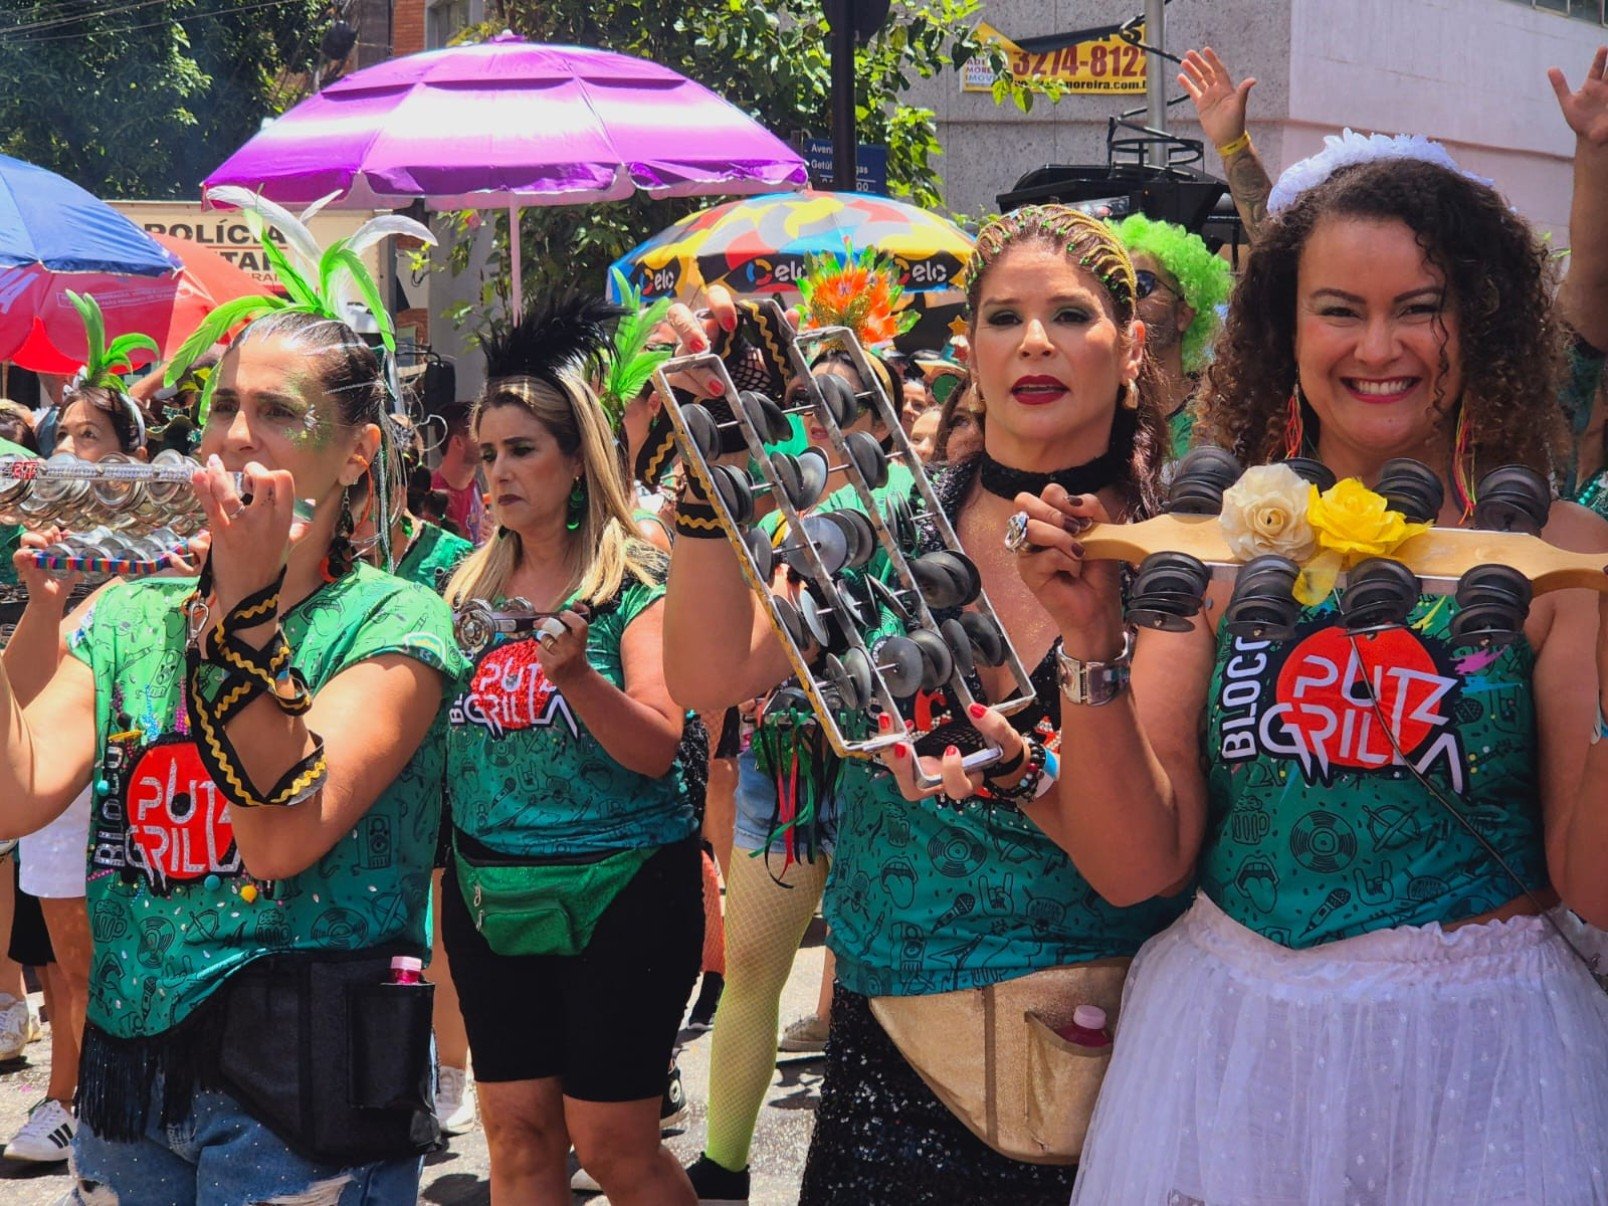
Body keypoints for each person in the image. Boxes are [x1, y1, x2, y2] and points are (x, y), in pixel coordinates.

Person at [1013, 72, 1608, 1201]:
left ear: (1475, 320)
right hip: (1232, 1069)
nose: (1379, 346)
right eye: (1340, 308)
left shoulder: (1558, 556)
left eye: (1419, 306)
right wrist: (1091, 645)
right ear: (1286, 332)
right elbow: (1138, 863)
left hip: (1485, 1078)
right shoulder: (1210, 544)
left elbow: (1595, 884)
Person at [663, 206, 1187, 1204]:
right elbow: (711, 671)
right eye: (1003, 318)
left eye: (1071, 316)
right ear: (971, 355)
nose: (1035, 342)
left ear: (1129, 351)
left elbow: (1140, 864)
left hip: (1116, 1058)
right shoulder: (888, 517)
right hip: (894, 1059)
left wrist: (1031, 736)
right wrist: (712, 461)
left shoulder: (1174, 555)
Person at [0, 292, 465, 1201]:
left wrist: (245, 609)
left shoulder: (397, 620)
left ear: (358, 452)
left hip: (306, 1086)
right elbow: (15, 799)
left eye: (278, 413)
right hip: (132, 1080)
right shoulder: (131, 612)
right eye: (223, 408)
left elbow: (276, 837)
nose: (236, 438)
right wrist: (24, 617)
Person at [439, 297, 702, 1205]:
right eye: (486, 454)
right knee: (513, 1140)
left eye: (522, 450)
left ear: (576, 457)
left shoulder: (633, 579)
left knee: (612, 1144)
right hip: (486, 889)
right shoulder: (460, 587)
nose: (498, 473)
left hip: (623, 888)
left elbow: (659, 747)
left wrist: (577, 677)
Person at [1, 333, 160, 1164]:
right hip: (48, 772)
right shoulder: (39, 544)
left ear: (134, 456)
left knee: (104, 954)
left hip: (126, 779)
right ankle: (72, 1101)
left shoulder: (162, 556)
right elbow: (24, 684)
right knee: (64, 956)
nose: (67, 449)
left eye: (88, 435)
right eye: (60, 435)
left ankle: (100, 1109)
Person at [1109, 215, 1232, 455]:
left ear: (1183, 315)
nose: (1125, 300)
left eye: (1141, 285)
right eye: (1115, 287)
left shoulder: (1222, 414)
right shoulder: (1095, 413)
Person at [432, 401, 488, 545]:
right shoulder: (433, 497)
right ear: (458, 442)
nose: (488, 439)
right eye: (479, 433)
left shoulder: (474, 485)